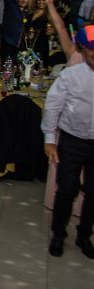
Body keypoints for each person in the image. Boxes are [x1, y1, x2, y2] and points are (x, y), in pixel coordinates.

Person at [42, 24, 94, 260]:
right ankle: (58, 234)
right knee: (67, 190)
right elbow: (53, 106)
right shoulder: (70, 75)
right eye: (91, 49)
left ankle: (84, 235)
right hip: (72, 140)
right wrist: (49, 140)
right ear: (82, 49)